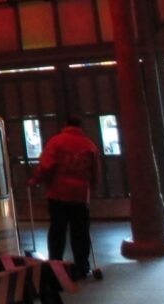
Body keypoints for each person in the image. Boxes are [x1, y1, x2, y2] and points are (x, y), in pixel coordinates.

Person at [28, 114, 100, 281]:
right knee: (80, 232)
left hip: (58, 193)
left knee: (57, 230)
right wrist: (92, 188)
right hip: (80, 196)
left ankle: (56, 265)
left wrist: (35, 180)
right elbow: (95, 171)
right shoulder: (89, 145)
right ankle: (82, 267)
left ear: (65, 124)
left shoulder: (56, 142)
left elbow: (46, 165)